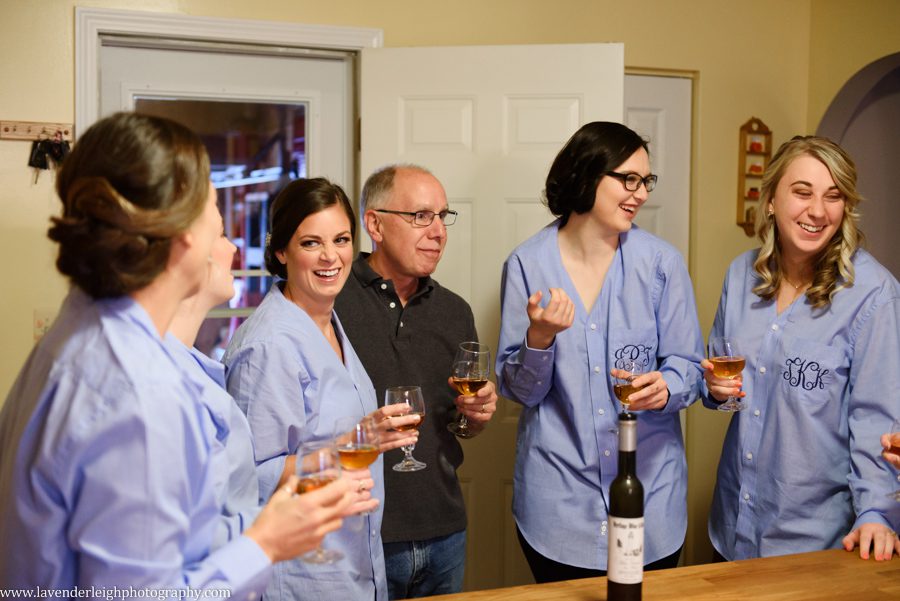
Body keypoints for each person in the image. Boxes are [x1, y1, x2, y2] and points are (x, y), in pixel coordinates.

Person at [0, 112, 351, 593]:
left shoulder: (80, 324)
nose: (223, 234)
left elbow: (167, 540)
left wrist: (259, 522)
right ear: (183, 234)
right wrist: (266, 543)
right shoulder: (138, 393)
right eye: (213, 210)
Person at [496, 121, 704, 583]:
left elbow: (690, 367)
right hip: (558, 509)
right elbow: (521, 392)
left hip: (653, 502)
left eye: (645, 180)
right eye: (628, 178)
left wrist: (666, 385)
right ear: (587, 175)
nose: (640, 193)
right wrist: (540, 338)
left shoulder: (661, 265)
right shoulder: (527, 265)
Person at [702, 135, 900, 562]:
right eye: (802, 192)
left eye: (833, 196)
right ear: (770, 199)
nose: (817, 211)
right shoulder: (740, 275)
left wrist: (877, 512)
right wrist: (715, 390)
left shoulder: (874, 295)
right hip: (733, 524)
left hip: (815, 544)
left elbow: (876, 419)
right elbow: (721, 385)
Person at [223, 178, 417, 601]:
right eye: (311, 243)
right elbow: (248, 477)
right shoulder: (269, 346)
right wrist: (350, 446)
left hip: (355, 563)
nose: (331, 256)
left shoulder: (328, 321)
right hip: (302, 577)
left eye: (342, 239)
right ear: (280, 251)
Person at [334, 164, 499, 599]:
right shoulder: (331, 301)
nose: (438, 231)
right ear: (375, 224)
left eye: (443, 216)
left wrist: (476, 416)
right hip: (358, 533)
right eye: (421, 216)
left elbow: (460, 428)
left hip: (444, 531)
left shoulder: (454, 311)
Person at [166, 220, 358, 550]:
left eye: (341, 239)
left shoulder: (336, 322)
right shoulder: (263, 345)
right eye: (221, 234)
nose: (234, 249)